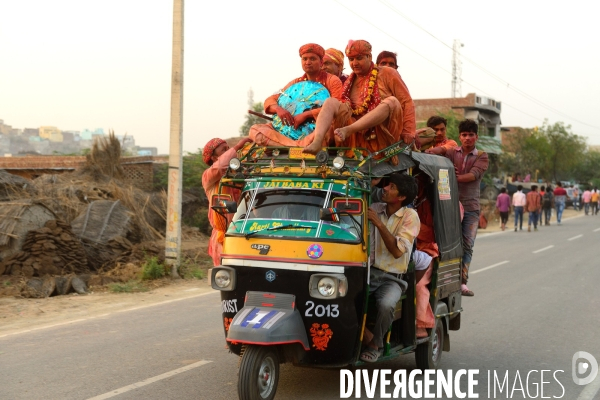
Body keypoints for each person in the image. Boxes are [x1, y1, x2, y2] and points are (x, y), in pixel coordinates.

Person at [302, 40, 416, 159]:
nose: (354, 63)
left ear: (369, 56)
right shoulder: (349, 82)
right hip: (356, 136)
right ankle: (317, 141)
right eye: (351, 59)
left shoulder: (387, 73)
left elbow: (406, 102)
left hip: (382, 132)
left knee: (391, 101)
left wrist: (408, 131)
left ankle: (348, 130)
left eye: (359, 58)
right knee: (331, 102)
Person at [361, 173, 419, 362]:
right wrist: (370, 183)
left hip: (392, 278)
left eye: (391, 187)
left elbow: (396, 251)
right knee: (342, 298)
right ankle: (367, 337)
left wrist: (378, 223)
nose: (385, 188)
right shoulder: (377, 208)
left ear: (401, 197)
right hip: (369, 272)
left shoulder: (410, 217)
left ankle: (375, 344)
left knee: (386, 305)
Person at [249, 43, 343, 147]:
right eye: (304, 59)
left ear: (321, 62)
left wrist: (306, 114)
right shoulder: (295, 83)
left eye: (312, 59)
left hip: (316, 131)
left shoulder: (333, 81)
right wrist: (278, 109)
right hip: (291, 133)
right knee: (255, 130)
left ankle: (287, 147)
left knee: (328, 130)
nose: (308, 62)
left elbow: (337, 106)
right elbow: (271, 99)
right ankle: (295, 147)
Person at [444, 119, 488, 297]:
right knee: (448, 244)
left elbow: (473, 175)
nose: (467, 138)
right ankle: (448, 277)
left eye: (471, 135)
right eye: (464, 135)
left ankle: (463, 282)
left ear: (476, 137)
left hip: (470, 208)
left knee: (467, 245)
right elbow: (440, 155)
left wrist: (453, 177)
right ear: (459, 137)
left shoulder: (481, 156)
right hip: (449, 207)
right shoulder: (451, 153)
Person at [202, 137, 254, 266]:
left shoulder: (237, 174)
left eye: (228, 148)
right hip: (222, 237)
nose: (229, 151)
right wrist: (237, 147)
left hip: (243, 233)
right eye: (223, 150)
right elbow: (220, 168)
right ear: (214, 158)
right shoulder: (208, 176)